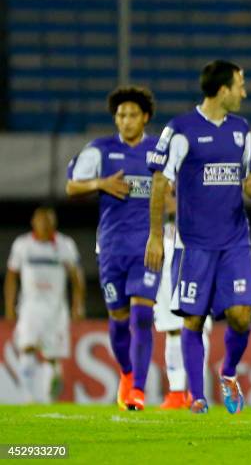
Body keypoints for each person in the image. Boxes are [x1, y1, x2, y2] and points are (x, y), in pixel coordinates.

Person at [145, 60, 251, 414]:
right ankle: (197, 396)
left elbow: (247, 175)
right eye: (240, 85)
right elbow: (160, 181)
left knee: (241, 316)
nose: (244, 92)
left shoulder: (241, 129)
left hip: (234, 241)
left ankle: (229, 373)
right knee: (193, 318)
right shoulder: (180, 130)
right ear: (223, 90)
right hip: (194, 244)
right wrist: (156, 236)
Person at [66, 86, 160, 411]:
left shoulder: (159, 151)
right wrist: (100, 184)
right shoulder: (100, 150)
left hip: (147, 248)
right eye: (121, 115)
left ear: (145, 117)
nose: (126, 120)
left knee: (143, 314)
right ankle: (126, 371)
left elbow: (176, 189)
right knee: (119, 320)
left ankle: (137, 390)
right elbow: (71, 185)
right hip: (111, 248)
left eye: (133, 114)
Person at [4, 206, 85, 403]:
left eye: (49, 220)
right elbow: (11, 277)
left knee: (52, 357)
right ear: (33, 222)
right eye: (41, 220)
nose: (45, 224)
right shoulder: (22, 245)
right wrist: (9, 306)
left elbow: (76, 277)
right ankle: (29, 396)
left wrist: (78, 304)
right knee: (27, 347)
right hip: (30, 307)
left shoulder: (65, 245)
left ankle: (48, 397)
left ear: (54, 223)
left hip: (56, 310)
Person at [154, 186, 212, 409]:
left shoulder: (196, 222)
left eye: (169, 196)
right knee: (172, 331)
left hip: (193, 277)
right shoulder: (164, 228)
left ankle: (195, 391)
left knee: (196, 327)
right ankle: (177, 392)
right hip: (166, 281)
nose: (165, 200)